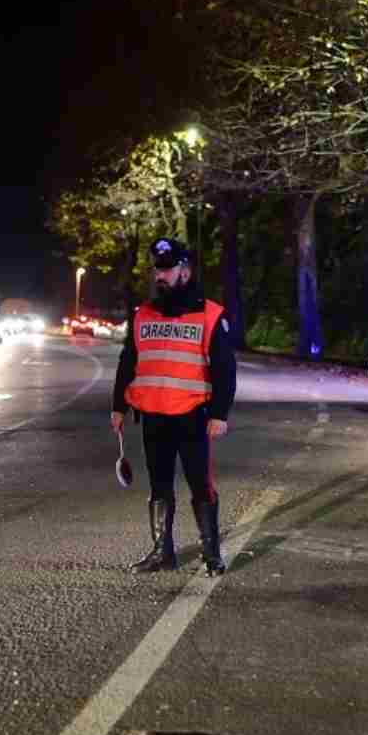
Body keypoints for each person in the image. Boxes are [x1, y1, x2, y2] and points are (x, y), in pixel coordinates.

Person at [111, 237, 237, 576]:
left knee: (201, 485)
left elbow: (225, 368)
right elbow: (129, 361)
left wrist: (220, 414)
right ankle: (162, 553)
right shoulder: (143, 315)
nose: (161, 276)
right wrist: (118, 407)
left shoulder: (210, 315)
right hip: (153, 417)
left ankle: (212, 554)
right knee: (159, 486)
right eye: (157, 269)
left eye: (167, 269)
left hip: (193, 417)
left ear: (185, 269)